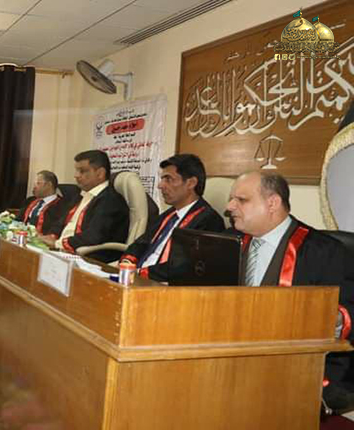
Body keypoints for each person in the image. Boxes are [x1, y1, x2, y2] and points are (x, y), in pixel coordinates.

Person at [226, 171, 354, 411]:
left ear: (272, 203)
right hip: (232, 357)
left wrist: (332, 317)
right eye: (232, 199)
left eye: (241, 200)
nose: (229, 206)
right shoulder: (228, 242)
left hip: (297, 367)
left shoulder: (324, 251)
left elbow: (347, 310)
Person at [121, 154, 225, 281]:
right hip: (138, 278)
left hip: (163, 285)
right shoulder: (168, 215)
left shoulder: (209, 221)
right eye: (162, 179)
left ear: (191, 183)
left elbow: (183, 267)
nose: (160, 185)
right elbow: (139, 244)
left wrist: (138, 273)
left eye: (168, 179)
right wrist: (127, 262)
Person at [40, 150, 129, 263]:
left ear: (100, 173)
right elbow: (61, 222)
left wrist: (58, 243)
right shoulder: (80, 195)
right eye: (76, 170)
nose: (76, 175)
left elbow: (93, 236)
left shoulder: (110, 201)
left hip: (89, 259)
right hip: (63, 252)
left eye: (82, 171)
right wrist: (51, 236)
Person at [16, 170, 71, 236]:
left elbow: (55, 230)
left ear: (49, 185)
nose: (34, 187)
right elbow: (17, 220)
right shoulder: (30, 200)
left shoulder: (62, 206)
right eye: (34, 184)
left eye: (38, 183)